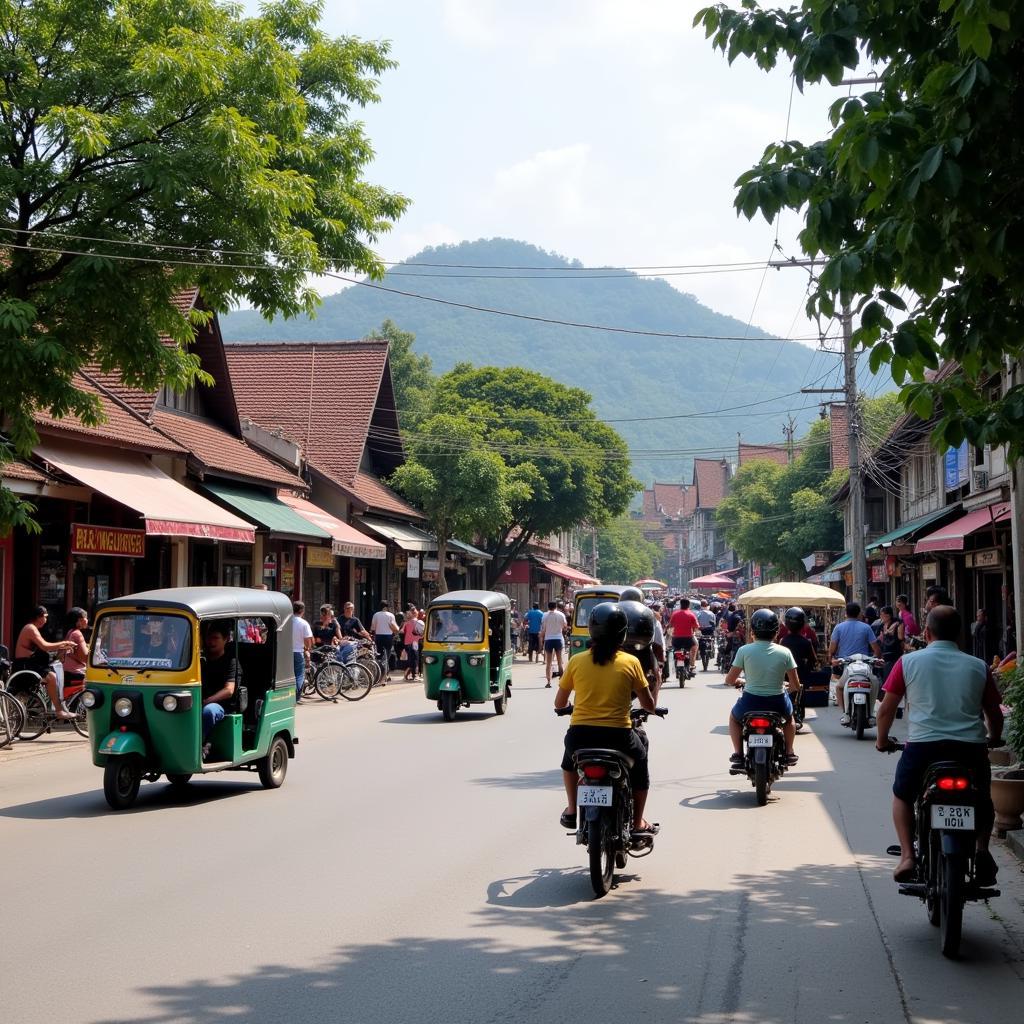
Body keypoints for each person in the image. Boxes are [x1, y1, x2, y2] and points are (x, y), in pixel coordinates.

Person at [875, 606, 1003, 886]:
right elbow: (994, 712)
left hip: (923, 748)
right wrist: (993, 738)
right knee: (982, 798)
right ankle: (982, 851)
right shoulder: (978, 666)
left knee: (902, 795)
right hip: (970, 748)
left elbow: (886, 710)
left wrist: (882, 740)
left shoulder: (908, 662)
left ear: (926, 632)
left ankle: (908, 856)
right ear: (959, 633)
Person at [554, 602, 657, 831]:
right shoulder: (631, 663)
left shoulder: (576, 661)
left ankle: (572, 810)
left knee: (569, 762)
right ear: (622, 633)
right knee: (640, 766)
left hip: (580, 736)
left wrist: (569, 707)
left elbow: (559, 703)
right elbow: (648, 704)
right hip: (619, 736)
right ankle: (638, 822)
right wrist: (651, 706)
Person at [725, 608, 800, 768]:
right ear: (776, 632)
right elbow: (795, 685)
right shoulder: (785, 652)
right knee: (789, 720)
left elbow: (730, 680)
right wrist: (787, 686)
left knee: (734, 719)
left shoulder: (743, 650)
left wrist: (740, 680)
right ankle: (789, 752)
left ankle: (738, 754)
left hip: (750, 702)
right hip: (777, 703)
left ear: (752, 631)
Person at [13, 606, 76, 720]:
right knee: (51, 677)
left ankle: (55, 707)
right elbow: (45, 646)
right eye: (45, 617)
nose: (46, 620)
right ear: (38, 617)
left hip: (30, 663)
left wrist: (63, 647)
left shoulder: (34, 628)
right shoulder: (30, 628)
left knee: (51, 673)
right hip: (23, 665)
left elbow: (45, 650)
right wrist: (65, 642)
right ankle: (58, 711)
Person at [829, 601, 882, 725]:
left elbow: (832, 649)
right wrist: (875, 659)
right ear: (859, 614)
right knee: (874, 683)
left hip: (847, 665)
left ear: (846, 614)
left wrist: (832, 659)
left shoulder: (839, 627)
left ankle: (845, 714)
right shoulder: (866, 627)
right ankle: (871, 713)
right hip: (865, 665)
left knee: (839, 687)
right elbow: (877, 650)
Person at [201, 621, 239, 759]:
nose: (211, 642)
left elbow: (229, 690)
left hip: (222, 705)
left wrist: (207, 701)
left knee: (209, 711)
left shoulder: (231, 661)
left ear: (226, 639)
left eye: (215, 638)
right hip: (199, 700)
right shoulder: (201, 661)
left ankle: (200, 743)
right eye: (208, 638)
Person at [370, 601, 400, 683]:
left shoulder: (376, 615)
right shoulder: (391, 615)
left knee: (379, 655)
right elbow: (395, 627)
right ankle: (386, 674)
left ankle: (379, 674)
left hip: (379, 636)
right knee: (387, 655)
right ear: (387, 607)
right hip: (388, 637)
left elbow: (373, 628)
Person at [61, 607, 89, 690]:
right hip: (76, 673)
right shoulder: (77, 634)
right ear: (79, 620)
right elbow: (85, 657)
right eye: (86, 618)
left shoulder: (70, 632)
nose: (87, 620)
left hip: (67, 672)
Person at [541, 600, 568, 687]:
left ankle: (548, 682)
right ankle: (562, 682)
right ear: (556, 606)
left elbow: (543, 629)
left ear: (548, 607)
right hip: (558, 639)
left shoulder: (545, 616)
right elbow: (565, 626)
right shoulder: (561, 615)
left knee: (549, 663)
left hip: (548, 640)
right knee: (560, 662)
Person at [669, 597, 700, 672]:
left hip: (676, 639)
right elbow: (696, 626)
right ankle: (692, 665)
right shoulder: (691, 614)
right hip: (689, 638)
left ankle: (677, 661)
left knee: (676, 650)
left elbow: (670, 625)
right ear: (688, 605)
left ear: (680, 605)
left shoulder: (675, 614)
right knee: (695, 646)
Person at [292, 601, 313, 701]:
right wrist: (307, 649)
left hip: (286, 652)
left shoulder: (287, 621)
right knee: (299, 675)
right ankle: (296, 697)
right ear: (302, 611)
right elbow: (307, 640)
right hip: (298, 652)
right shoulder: (304, 623)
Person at [877, 605, 905, 680]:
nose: (881, 617)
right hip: (886, 653)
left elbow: (901, 637)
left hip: (895, 652)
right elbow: (880, 638)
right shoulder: (882, 625)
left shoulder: (898, 623)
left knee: (892, 675)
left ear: (888, 615)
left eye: (882, 615)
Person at [401, 605, 424, 680]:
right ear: (415, 613)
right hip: (415, 642)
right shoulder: (418, 622)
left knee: (411, 659)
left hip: (407, 643)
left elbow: (401, 631)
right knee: (415, 659)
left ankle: (409, 674)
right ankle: (415, 675)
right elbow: (421, 633)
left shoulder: (406, 623)